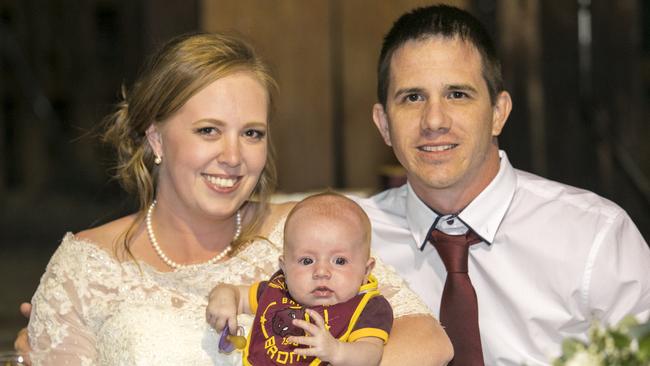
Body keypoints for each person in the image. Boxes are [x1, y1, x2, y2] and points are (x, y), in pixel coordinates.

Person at [21, 32, 453, 365]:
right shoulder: (85, 266)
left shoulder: (303, 231)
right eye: (208, 130)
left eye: (251, 133)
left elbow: (429, 341)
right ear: (156, 138)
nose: (232, 157)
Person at [356, 4, 650, 365]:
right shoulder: (352, 242)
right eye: (412, 97)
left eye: (457, 95)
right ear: (384, 124)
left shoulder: (595, 238)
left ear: (498, 113)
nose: (433, 120)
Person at [207, 192, 392, 365]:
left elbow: (371, 353)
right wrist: (224, 296)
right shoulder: (278, 290)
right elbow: (238, 295)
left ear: (366, 270)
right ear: (284, 267)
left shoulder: (368, 308)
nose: (321, 271)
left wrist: (337, 351)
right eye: (307, 260)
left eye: (340, 261)